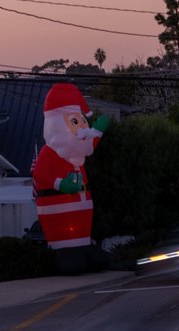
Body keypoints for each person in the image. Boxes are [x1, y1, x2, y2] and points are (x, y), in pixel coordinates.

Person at [32, 82, 109, 274]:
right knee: (71, 263)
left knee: (90, 257)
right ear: (57, 125)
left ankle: (83, 246)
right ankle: (64, 252)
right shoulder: (50, 153)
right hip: (58, 216)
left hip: (83, 217)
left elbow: (86, 143)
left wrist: (98, 131)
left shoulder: (76, 153)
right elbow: (40, 174)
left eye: (83, 121)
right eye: (75, 122)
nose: (82, 127)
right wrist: (60, 184)